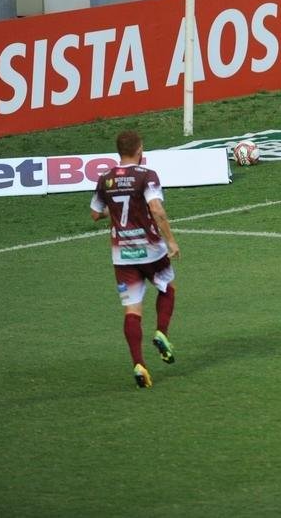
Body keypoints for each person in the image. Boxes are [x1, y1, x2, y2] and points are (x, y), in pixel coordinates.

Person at [90, 129, 181, 389]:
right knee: (167, 287)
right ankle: (161, 332)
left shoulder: (105, 178)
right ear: (140, 150)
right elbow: (156, 209)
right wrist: (171, 240)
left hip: (122, 255)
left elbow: (95, 214)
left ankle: (139, 364)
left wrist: (114, 211)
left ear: (119, 151)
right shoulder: (146, 175)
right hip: (150, 249)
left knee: (132, 310)